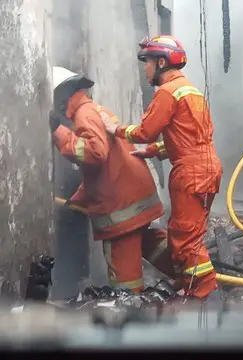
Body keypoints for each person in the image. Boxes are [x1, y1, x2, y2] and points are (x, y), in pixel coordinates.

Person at [101, 36, 223, 300]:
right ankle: (191, 285)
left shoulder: (167, 92)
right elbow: (190, 138)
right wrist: (154, 151)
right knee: (188, 234)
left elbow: (145, 131)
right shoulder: (191, 90)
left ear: (162, 62)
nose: (145, 68)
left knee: (186, 239)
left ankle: (205, 295)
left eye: (147, 62)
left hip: (191, 173)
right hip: (206, 168)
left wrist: (117, 130)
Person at [50, 66, 170, 293]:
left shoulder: (84, 115)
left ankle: (130, 311)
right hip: (135, 199)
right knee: (151, 244)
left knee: (125, 277)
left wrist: (60, 133)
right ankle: (193, 275)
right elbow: (107, 167)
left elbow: (96, 153)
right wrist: (81, 199)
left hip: (122, 209)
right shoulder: (96, 110)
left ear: (61, 98)